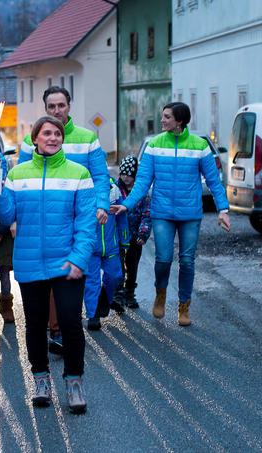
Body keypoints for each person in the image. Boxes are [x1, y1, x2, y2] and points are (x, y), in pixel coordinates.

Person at [0, 115, 96, 414]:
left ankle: (74, 380)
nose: (53, 137)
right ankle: (41, 379)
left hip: (67, 263)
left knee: (71, 322)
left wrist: (78, 258)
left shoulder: (79, 173)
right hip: (30, 260)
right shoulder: (18, 174)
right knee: (34, 324)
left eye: (57, 134)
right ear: (34, 139)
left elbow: (86, 223)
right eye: (46, 133)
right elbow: (7, 218)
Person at [111, 102, 230, 326]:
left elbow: (214, 181)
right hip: (162, 212)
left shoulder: (199, 146)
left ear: (180, 121)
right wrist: (126, 204)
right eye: (163, 116)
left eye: (167, 117)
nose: (162, 120)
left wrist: (223, 210)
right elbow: (143, 182)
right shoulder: (155, 145)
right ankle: (161, 293)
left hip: (190, 214)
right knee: (163, 259)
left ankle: (184, 306)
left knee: (186, 261)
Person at [19, 86, 110, 353]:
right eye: (51, 107)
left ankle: (67, 325)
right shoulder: (31, 139)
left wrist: (102, 205)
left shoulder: (87, 138)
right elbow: (22, 177)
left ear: (69, 106)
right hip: (44, 219)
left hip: (79, 215)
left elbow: (101, 175)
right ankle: (55, 330)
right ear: (45, 108)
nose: (57, 111)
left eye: (61, 105)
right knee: (47, 279)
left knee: (73, 272)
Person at [84, 178, 129, 330]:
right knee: (92, 281)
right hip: (91, 246)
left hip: (111, 245)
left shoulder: (114, 189)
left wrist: (124, 238)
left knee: (115, 276)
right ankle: (93, 315)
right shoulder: (85, 187)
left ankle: (105, 299)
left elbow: (122, 216)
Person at [113, 155, 151, 309]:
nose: (126, 178)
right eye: (123, 174)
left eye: (129, 175)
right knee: (118, 265)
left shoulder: (141, 192)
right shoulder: (115, 189)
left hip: (135, 236)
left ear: (135, 175)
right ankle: (119, 294)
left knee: (132, 264)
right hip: (119, 236)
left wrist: (143, 234)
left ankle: (129, 293)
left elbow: (147, 214)